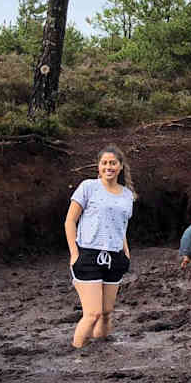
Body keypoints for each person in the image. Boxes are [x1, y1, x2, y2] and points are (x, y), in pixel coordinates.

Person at [65, 144, 136, 348]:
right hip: (88, 255)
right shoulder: (88, 187)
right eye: (104, 163)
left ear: (121, 166)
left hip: (115, 256)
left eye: (113, 163)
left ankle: (102, 352)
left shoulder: (126, 195)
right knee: (92, 313)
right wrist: (74, 253)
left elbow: (121, 226)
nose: (108, 167)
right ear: (98, 166)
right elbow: (70, 221)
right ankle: (76, 355)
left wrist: (126, 252)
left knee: (105, 313)